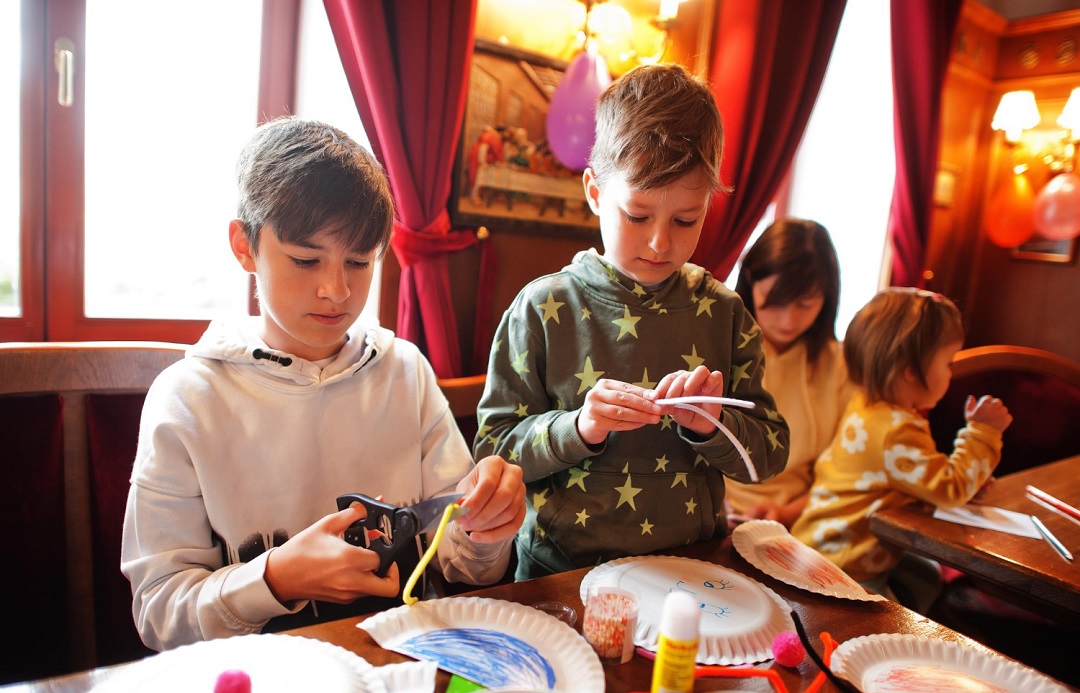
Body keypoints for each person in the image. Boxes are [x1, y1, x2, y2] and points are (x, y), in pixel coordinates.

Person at [122, 117, 526, 652]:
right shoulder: (189, 398)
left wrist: (485, 528)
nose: (336, 290)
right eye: (306, 260)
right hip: (260, 679)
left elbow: (465, 564)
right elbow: (158, 613)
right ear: (244, 246)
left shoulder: (405, 371)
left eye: (358, 262)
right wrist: (274, 580)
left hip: (401, 661)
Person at [472, 63, 790, 580]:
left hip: (690, 575)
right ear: (595, 192)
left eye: (686, 219)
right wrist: (579, 427)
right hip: (560, 574)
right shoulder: (542, 308)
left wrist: (715, 425)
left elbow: (766, 460)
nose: (660, 243)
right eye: (637, 216)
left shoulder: (725, 313)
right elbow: (492, 452)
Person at [790, 288, 1012, 608]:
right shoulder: (898, 430)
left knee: (927, 576)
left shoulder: (867, 406)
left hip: (822, 545)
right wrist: (983, 433)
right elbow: (949, 489)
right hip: (844, 567)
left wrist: (969, 479)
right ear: (910, 370)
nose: (951, 373)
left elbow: (914, 478)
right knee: (890, 617)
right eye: (948, 362)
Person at [726, 219, 853, 527]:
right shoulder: (716, 344)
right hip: (708, 507)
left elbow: (845, 470)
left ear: (827, 297)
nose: (788, 320)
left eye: (805, 304)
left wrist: (787, 513)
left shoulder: (840, 364)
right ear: (750, 282)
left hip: (800, 520)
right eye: (774, 301)